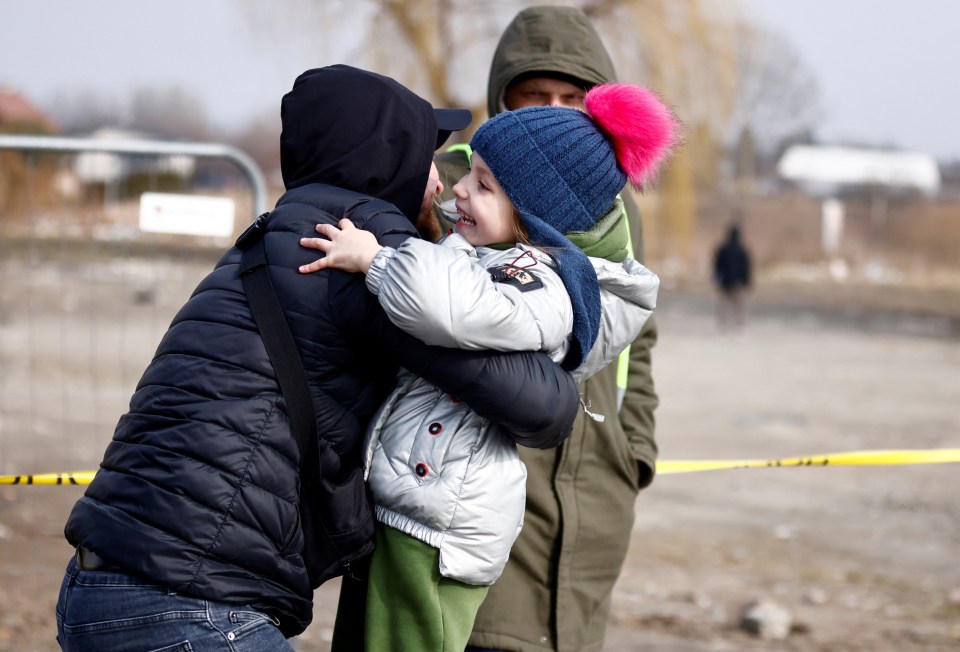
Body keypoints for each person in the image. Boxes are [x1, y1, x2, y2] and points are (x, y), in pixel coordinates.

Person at [53, 64, 582, 652]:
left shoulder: (269, 238)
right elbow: (544, 406)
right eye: (427, 156)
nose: (442, 184)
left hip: (95, 588)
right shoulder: (361, 258)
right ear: (388, 158)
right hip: (194, 606)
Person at [300, 80, 675, 652]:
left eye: (484, 185)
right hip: (422, 498)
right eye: (467, 175)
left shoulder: (542, 284)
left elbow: (447, 306)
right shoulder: (506, 264)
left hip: (440, 519)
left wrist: (376, 259)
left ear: (533, 216)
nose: (461, 193)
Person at [430, 6, 666, 651]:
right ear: (502, 98)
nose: (558, 108)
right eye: (536, 95)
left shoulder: (615, 209)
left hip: (594, 499)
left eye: (574, 97)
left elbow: (636, 346)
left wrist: (632, 453)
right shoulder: (454, 186)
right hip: (485, 493)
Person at [713, 224, 752, 330]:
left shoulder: (722, 249)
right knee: (739, 306)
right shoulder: (742, 251)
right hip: (738, 283)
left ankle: (723, 324)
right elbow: (746, 268)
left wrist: (717, 279)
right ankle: (739, 325)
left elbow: (717, 266)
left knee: (724, 305)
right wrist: (747, 282)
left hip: (725, 282)